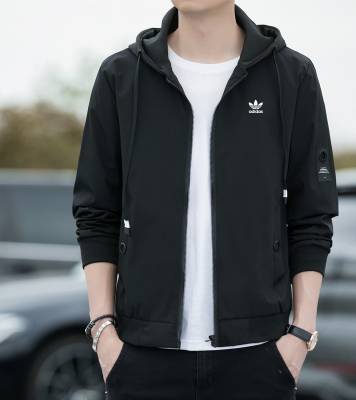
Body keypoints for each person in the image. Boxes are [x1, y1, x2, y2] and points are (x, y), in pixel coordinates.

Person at [72, 1, 339, 399]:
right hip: (141, 358)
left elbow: (311, 215)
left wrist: (300, 334)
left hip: (259, 358)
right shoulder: (122, 76)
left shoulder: (291, 75)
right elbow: (96, 212)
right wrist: (103, 332)